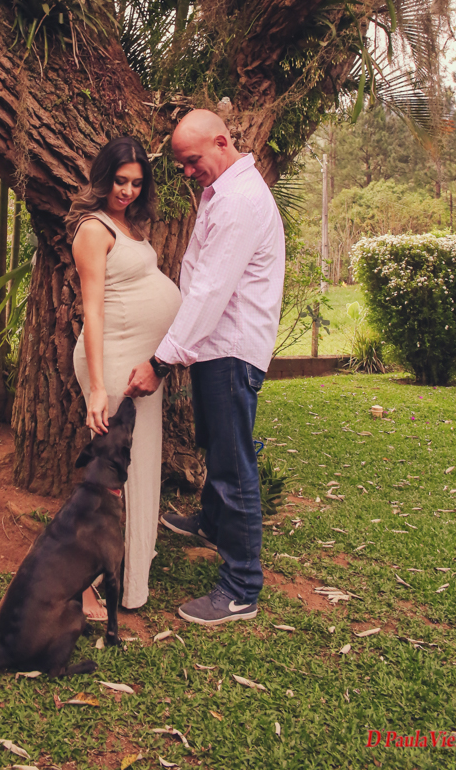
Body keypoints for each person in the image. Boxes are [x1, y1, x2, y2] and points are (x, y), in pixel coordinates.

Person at [125, 109, 285, 626]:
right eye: (182, 165)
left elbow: (211, 292)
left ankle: (241, 588)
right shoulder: (223, 191)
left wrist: (161, 361)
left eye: (192, 161)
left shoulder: (238, 200)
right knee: (217, 446)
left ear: (220, 142)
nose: (188, 172)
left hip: (232, 349)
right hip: (218, 347)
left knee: (234, 463)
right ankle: (214, 524)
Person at [69, 135, 181, 616]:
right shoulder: (93, 230)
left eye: (137, 183)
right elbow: (91, 313)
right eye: (120, 181)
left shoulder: (129, 225)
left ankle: (128, 578)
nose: (128, 191)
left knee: (137, 472)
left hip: (141, 367)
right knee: (111, 480)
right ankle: (83, 585)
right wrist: (97, 389)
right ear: (103, 176)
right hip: (112, 364)